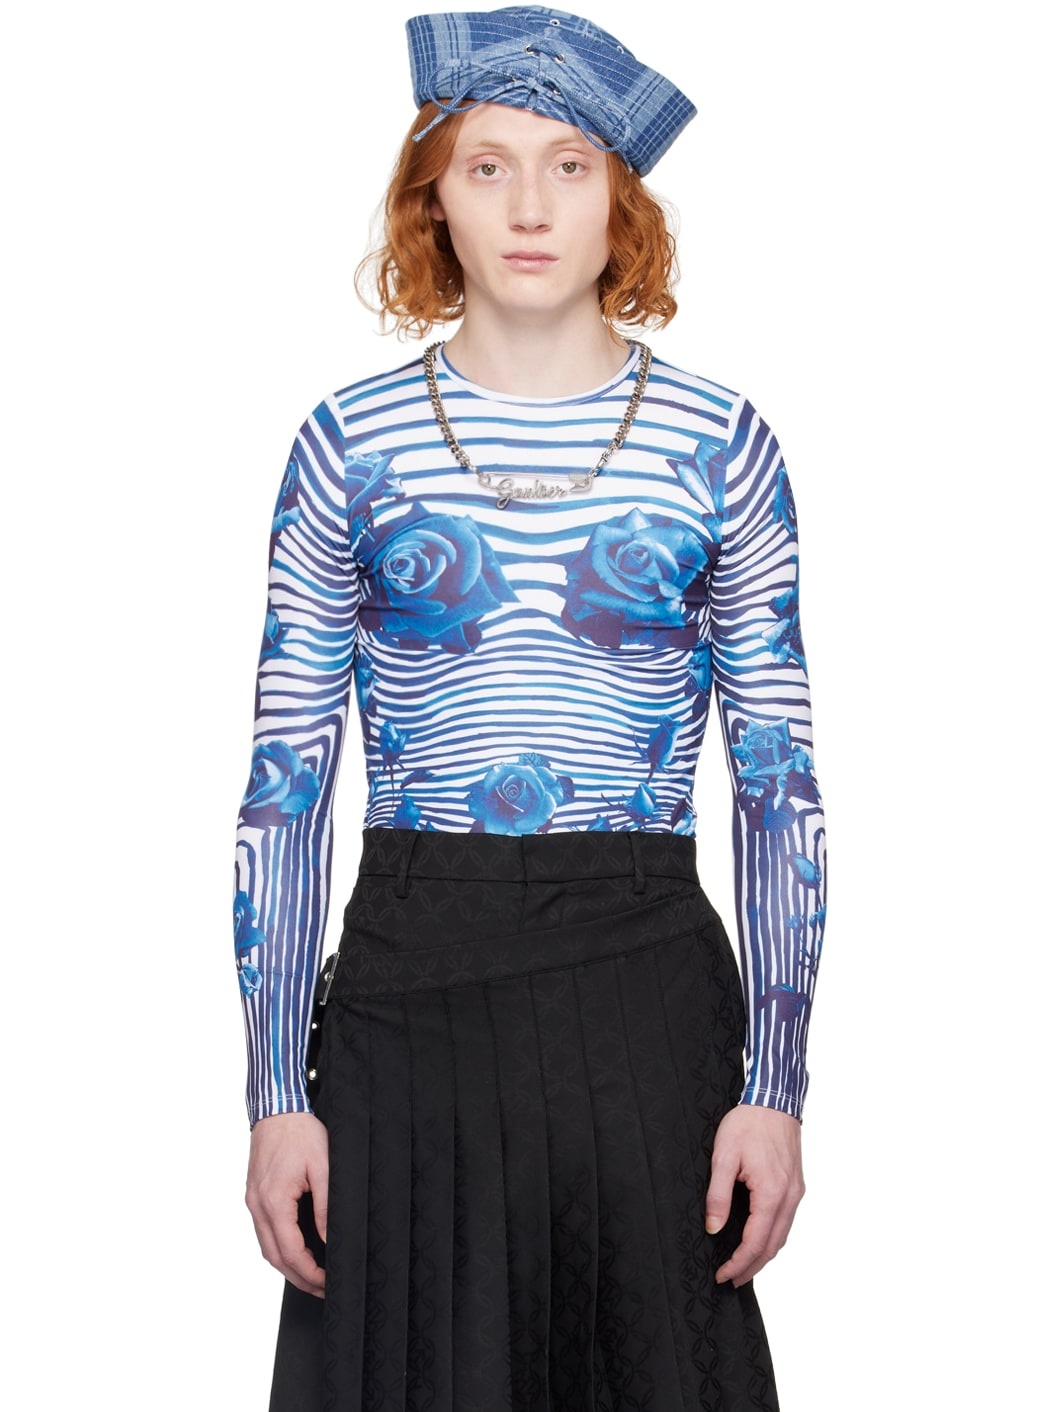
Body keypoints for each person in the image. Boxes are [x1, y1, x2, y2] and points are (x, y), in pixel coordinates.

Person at [235, 8, 827, 1409]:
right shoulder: (346, 444)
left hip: (644, 984)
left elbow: (779, 784)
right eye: (488, 166)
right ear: (431, 197)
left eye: (570, 166)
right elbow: (285, 784)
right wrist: (273, 1096)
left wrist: (777, 1085)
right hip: (407, 987)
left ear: (620, 198)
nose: (530, 207)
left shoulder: (723, 445)